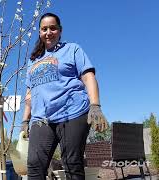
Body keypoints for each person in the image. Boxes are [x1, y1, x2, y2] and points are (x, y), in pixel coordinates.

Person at [21, 13, 108, 180]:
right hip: (42, 118)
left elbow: (88, 76)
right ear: (39, 32)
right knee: (34, 165)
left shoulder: (72, 49)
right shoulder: (33, 60)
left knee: (71, 162)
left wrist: (95, 106)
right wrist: (25, 120)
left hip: (72, 113)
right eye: (44, 29)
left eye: (52, 28)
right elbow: (30, 93)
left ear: (60, 31)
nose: (48, 32)